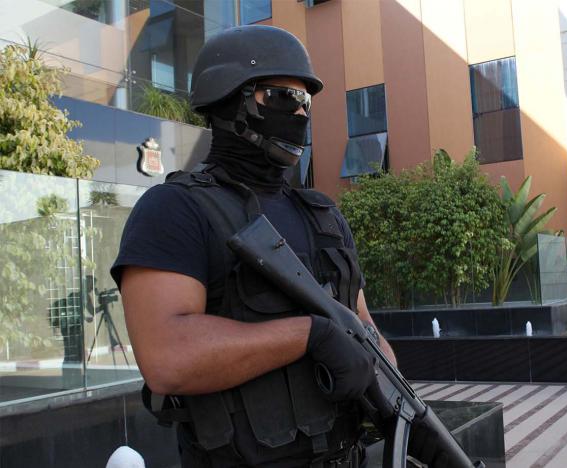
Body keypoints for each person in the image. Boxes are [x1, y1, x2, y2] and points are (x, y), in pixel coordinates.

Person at [111, 25, 396, 468]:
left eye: (306, 103)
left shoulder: (322, 214)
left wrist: (391, 389)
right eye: (284, 98)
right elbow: (166, 356)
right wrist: (309, 336)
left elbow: (361, 322)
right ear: (230, 101)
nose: (300, 115)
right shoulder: (174, 209)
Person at [49, 275, 95, 386]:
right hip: (72, 328)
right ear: (86, 284)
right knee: (71, 354)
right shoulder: (77, 296)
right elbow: (77, 312)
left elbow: (86, 312)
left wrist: (86, 317)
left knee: (75, 354)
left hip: (73, 328)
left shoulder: (80, 296)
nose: (92, 287)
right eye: (91, 284)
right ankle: (69, 379)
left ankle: (72, 378)